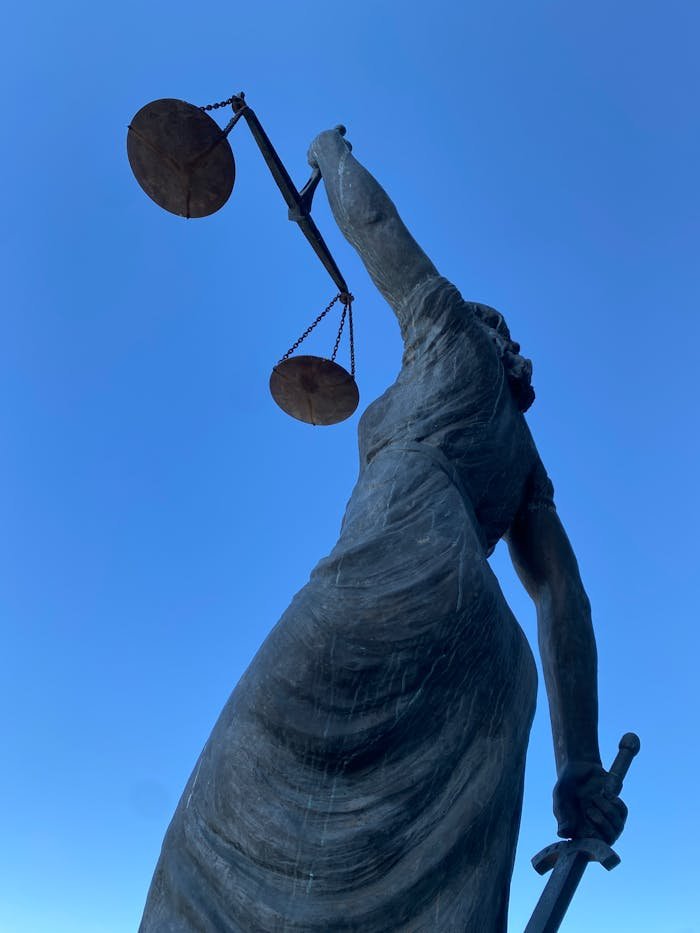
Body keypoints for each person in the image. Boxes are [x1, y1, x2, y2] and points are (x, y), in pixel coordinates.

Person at [140, 127, 627, 932]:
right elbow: (562, 597)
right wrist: (577, 760)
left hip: (395, 567)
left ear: (484, 332)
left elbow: (378, 232)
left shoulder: (446, 333)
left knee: (225, 815)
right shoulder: (528, 464)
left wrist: (329, 155)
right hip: (498, 669)